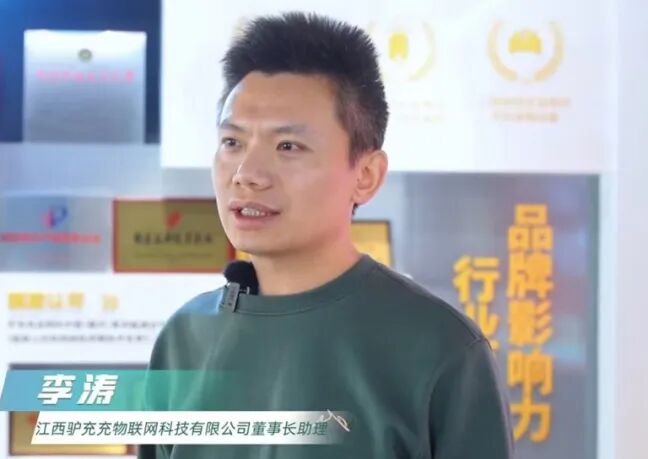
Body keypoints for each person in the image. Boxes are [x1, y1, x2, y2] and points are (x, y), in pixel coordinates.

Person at [138, 12, 512, 459]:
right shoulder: (184, 338)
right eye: (232, 142)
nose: (247, 174)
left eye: (288, 146)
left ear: (366, 175)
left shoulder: (439, 348)